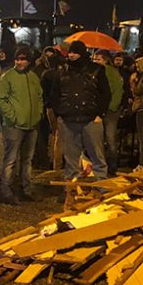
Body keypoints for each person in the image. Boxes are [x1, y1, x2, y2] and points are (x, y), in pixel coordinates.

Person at [49, 40, 110, 180]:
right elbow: (54, 94)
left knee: (97, 157)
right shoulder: (62, 71)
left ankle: (102, 188)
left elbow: (105, 94)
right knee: (71, 159)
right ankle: (71, 190)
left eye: (75, 52)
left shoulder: (97, 70)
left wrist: (100, 114)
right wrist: (60, 113)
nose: (71, 55)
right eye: (70, 52)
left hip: (91, 119)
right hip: (68, 120)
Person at [0, 46, 45, 204]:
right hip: (15, 125)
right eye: (18, 59)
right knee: (11, 159)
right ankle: (5, 190)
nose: (20, 62)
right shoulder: (7, 76)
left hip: (32, 124)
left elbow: (39, 97)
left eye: (23, 59)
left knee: (27, 159)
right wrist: (13, 117)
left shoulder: (33, 77)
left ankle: (26, 188)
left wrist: (38, 113)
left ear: (29, 61)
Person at [93, 48, 123, 175]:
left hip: (110, 110)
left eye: (98, 59)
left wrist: (111, 106)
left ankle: (112, 166)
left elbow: (117, 91)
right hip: (98, 110)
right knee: (97, 139)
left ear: (105, 60)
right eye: (94, 59)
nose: (95, 61)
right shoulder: (94, 72)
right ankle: (100, 165)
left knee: (110, 138)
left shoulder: (111, 73)